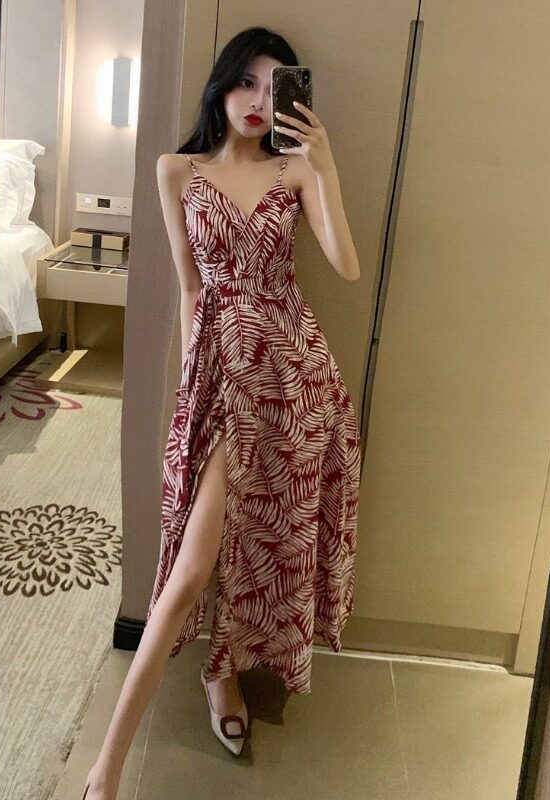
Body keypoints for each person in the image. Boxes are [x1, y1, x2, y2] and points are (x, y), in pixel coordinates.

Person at [81, 26, 361, 800]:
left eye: (275, 88)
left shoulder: (294, 170)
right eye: (246, 82)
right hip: (219, 384)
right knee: (194, 567)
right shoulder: (177, 170)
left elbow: (345, 265)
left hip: (293, 384)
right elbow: (191, 289)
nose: (258, 100)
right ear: (221, 86)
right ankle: (104, 773)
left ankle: (222, 675)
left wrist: (326, 166)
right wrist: (190, 397)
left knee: (262, 543)